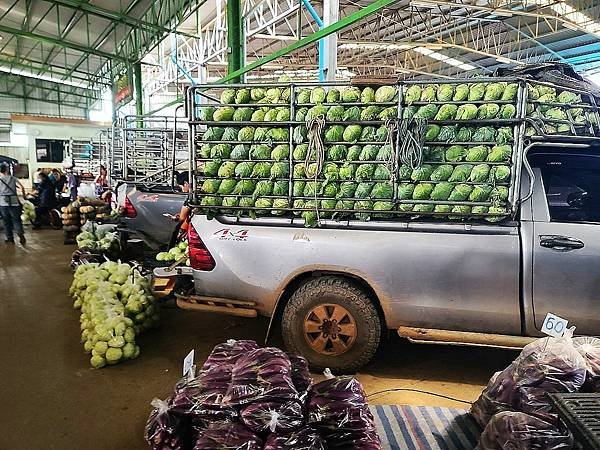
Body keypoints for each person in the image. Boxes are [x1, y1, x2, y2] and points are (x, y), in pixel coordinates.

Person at [0, 163, 26, 245]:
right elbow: (22, 187)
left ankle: (10, 239)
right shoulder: (13, 178)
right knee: (16, 219)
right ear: (7, 169)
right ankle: (20, 232)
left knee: (6, 221)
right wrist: (24, 196)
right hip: (14, 200)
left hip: (3, 202)